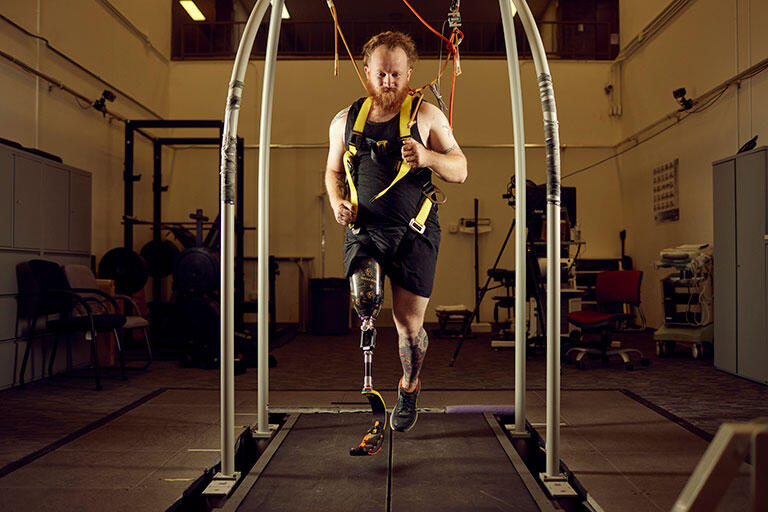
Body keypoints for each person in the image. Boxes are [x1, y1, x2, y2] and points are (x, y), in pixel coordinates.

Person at [325, 31, 467, 433]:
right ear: (367, 72)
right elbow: (333, 171)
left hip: (415, 232)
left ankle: (409, 385)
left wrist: (429, 156)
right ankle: (373, 367)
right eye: (381, 74)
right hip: (365, 231)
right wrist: (339, 203)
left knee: (408, 325)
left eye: (396, 75)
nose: (389, 82)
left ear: (409, 74)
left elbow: (461, 170)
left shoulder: (426, 116)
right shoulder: (344, 121)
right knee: (366, 303)